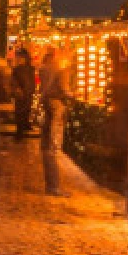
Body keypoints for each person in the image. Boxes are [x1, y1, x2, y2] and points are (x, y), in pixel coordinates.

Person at [39, 48, 72, 196]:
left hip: (46, 103)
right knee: (54, 147)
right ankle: (54, 186)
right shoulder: (61, 70)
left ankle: (50, 184)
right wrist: (72, 95)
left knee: (47, 147)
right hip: (56, 105)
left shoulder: (44, 69)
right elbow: (64, 90)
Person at [11, 49, 37, 141]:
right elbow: (14, 82)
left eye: (19, 57)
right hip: (23, 93)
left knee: (25, 110)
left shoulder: (27, 69)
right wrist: (17, 89)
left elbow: (31, 80)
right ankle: (20, 131)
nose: (18, 59)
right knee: (21, 112)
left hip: (27, 92)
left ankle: (23, 127)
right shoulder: (19, 69)